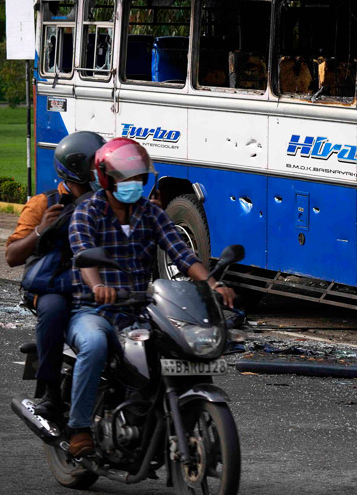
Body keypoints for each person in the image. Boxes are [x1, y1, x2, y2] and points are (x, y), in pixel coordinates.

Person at [66, 137, 235, 457]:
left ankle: (166, 423)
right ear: (106, 178)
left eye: (139, 177)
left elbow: (183, 254)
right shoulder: (87, 212)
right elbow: (85, 255)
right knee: (96, 344)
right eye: (126, 177)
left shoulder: (150, 213)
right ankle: (79, 428)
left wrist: (212, 284)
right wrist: (98, 286)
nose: (134, 184)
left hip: (139, 308)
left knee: (179, 347)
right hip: (92, 309)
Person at [6, 131, 106, 419]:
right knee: (53, 309)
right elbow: (12, 256)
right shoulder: (43, 203)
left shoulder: (105, 202)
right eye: (94, 166)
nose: (100, 171)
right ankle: (50, 392)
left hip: (98, 283)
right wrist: (41, 230)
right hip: (54, 286)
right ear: (77, 168)